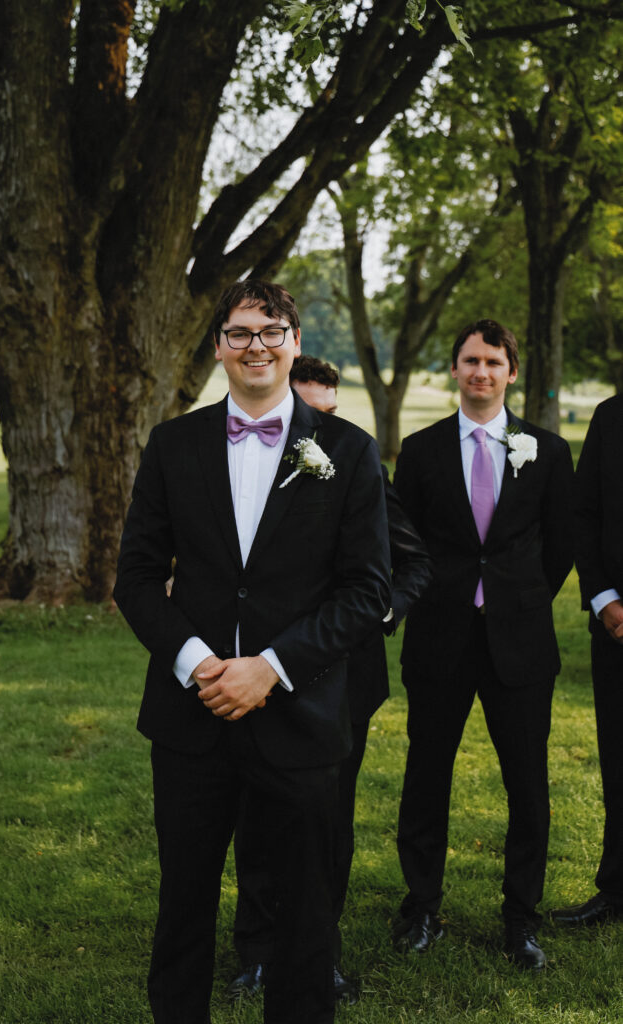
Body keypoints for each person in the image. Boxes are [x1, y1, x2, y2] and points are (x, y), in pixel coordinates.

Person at [114, 280, 392, 1024]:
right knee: (183, 907)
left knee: (304, 920)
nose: (256, 346)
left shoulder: (347, 451)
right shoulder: (175, 445)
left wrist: (269, 668)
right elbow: (136, 577)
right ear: (218, 347)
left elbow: (366, 591)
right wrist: (198, 663)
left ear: (294, 343)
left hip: (299, 719)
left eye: (271, 332)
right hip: (190, 719)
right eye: (239, 333)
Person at [228, 355, 431, 1004]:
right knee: (256, 817)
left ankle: (321, 955)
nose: (319, 430)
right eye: (308, 415)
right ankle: (255, 953)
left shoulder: (360, 464)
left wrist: (380, 612)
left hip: (343, 678)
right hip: (257, 671)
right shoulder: (246, 474)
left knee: (327, 823)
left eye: (329, 415)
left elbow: (412, 561)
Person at [392, 319, 573, 969]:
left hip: (519, 643)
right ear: (453, 369)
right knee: (425, 778)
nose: (481, 371)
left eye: (493, 361)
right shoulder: (418, 451)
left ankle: (520, 919)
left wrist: (514, 598)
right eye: (469, 360)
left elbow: (558, 547)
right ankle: (420, 907)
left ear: (510, 372)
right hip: (438, 638)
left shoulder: (546, 452)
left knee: (526, 785)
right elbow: (402, 542)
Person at [551, 394, 623, 926]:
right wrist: (604, 599)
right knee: (619, 760)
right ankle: (617, 889)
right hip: (618, 626)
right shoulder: (611, 415)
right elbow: (584, 512)